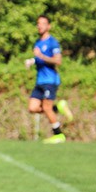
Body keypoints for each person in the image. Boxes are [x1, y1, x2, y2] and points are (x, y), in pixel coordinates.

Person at [24, 14, 74, 144]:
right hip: (39, 81)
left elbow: (58, 60)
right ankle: (59, 107)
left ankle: (59, 135)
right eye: (38, 23)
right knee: (32, 108)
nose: (39, 26)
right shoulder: (38, 42)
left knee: (46, 108)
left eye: (42, 23)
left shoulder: (52, 42)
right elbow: (39, 58)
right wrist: (32, 60)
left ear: (48, 26)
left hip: (50, 81)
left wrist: (40, 55)